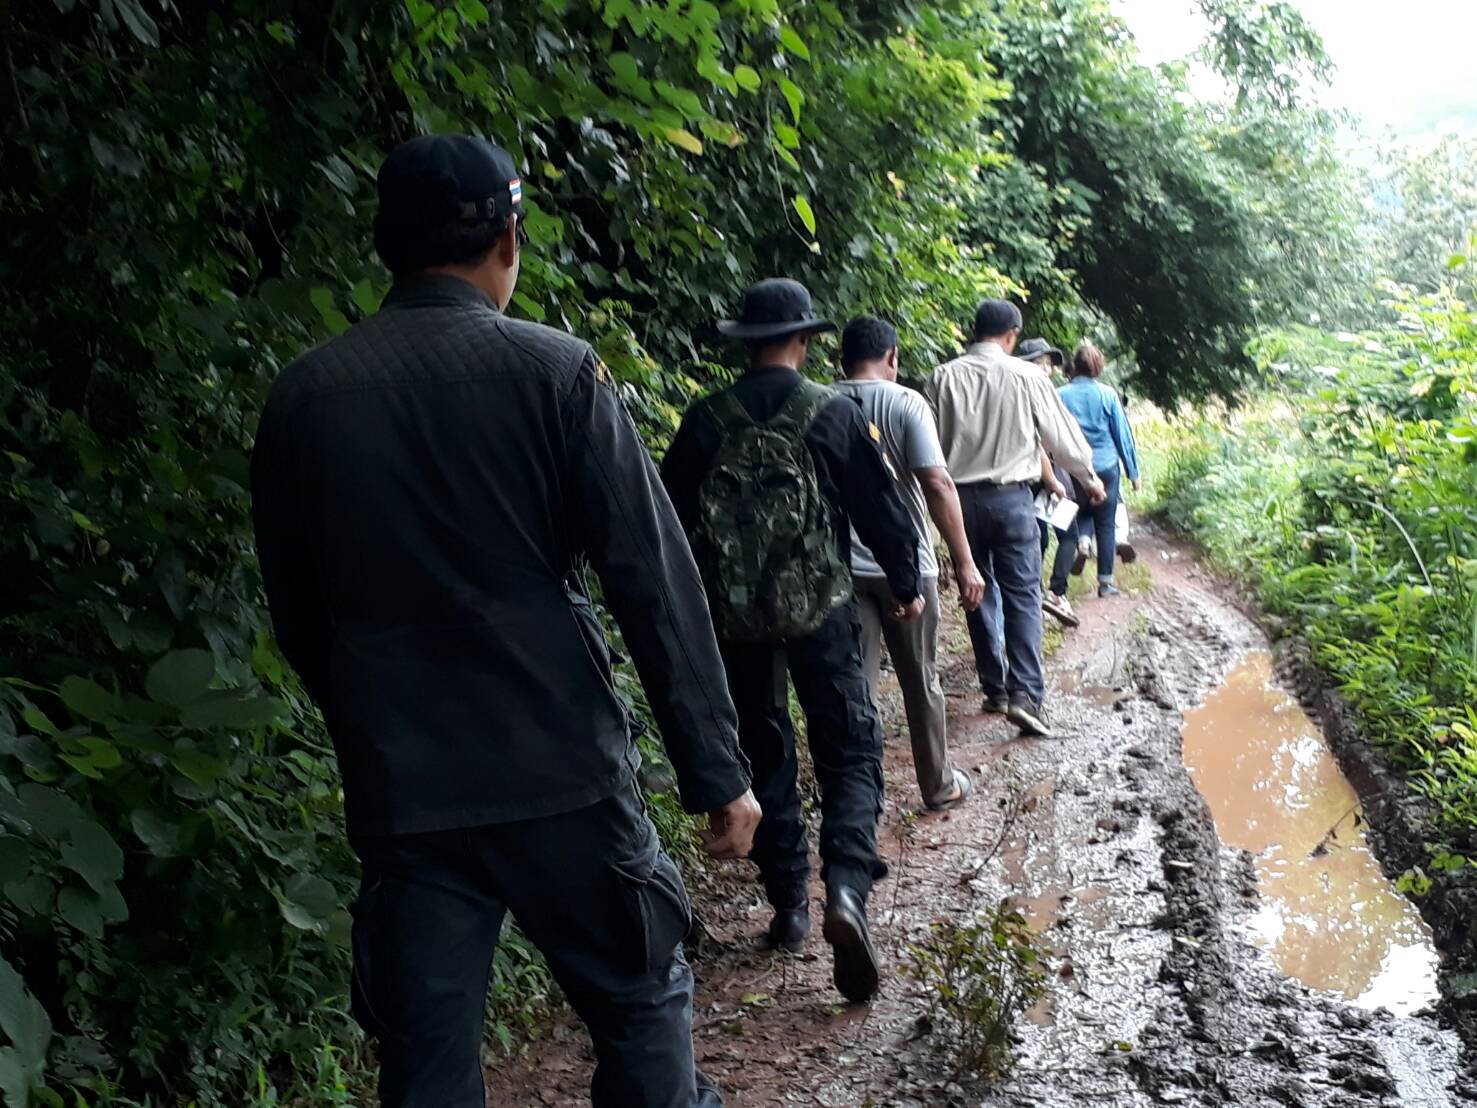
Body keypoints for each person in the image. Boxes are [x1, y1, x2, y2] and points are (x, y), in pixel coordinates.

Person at [251, 134, 760, 1108]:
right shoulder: (557, 374)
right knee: (639, 1003)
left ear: (388, 247)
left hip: (408, 790)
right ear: (507, 241)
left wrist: (372, 725)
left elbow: (299, 618)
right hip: (563, 771)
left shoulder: (304, 397)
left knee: (426, 1062)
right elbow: (651, 581)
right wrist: (717, 771)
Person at [661, 279, 922, 1005]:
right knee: (850, 748)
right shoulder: (831, 413)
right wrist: (904, 583)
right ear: (804, 340)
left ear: (744, 344)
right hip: (824, 612)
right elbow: (881, 508)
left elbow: (666, 522)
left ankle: (788, 905)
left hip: (736, 622)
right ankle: (846, 889)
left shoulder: (707, 420)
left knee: (764, 747)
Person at [924, 301, 1104, 737]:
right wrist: (1090, 478)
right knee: (1022, 595)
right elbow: (1063, 439)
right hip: (1011, 501)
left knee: (976, 590)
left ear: (975, 331)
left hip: (957, 503)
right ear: (1012, 335)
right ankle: (1025, 695)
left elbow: (925, 448)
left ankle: (996, 688)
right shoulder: (1028, 376)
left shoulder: (941, 378)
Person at [833, 317, 985, 812]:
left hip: (842, 568)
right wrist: (965, 561)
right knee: (921, 681)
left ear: (841, 359)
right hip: (907, 568)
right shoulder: (906, 403)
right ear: (893, 357)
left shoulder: (820, 403)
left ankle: (862, 797)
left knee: (857, 687)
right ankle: (938, 785)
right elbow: (937, 483)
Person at [1058, 342, 1143, 597]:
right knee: (1106, 523)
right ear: (1098, 367)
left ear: (1075, 366)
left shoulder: (1060, 395)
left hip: (1073, 467)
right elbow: (1122, 434)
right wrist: (1133, 472)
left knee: (1079, 511)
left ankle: (1083, 543)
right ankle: (1106, 583)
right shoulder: (1108, 395)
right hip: (1106, 466)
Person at [1016, 337, 1081, 628]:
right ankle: (1055, 592)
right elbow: (1041, 442)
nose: (1047, 369)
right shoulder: (1036, 394)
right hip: (1042, 475)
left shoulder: (1015, 390)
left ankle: (1038, 592)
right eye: (1040, 363)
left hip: (1026, 477)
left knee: (1039, 537)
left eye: (1049, 364)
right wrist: (1053, 479)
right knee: (1067, 534)